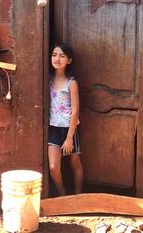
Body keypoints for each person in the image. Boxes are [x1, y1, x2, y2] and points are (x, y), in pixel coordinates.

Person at [48, 43, 83, 196]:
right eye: (54, 55)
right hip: (53, 127)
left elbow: (75, 111)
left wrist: (69, 138)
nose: (57, 58)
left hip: (70, 128)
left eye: (62, 56)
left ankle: (78, 195)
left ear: (69, 60)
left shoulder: (71, 82)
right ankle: (62, 194)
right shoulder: (47, 79)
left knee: (74, 162)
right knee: (54, 166)